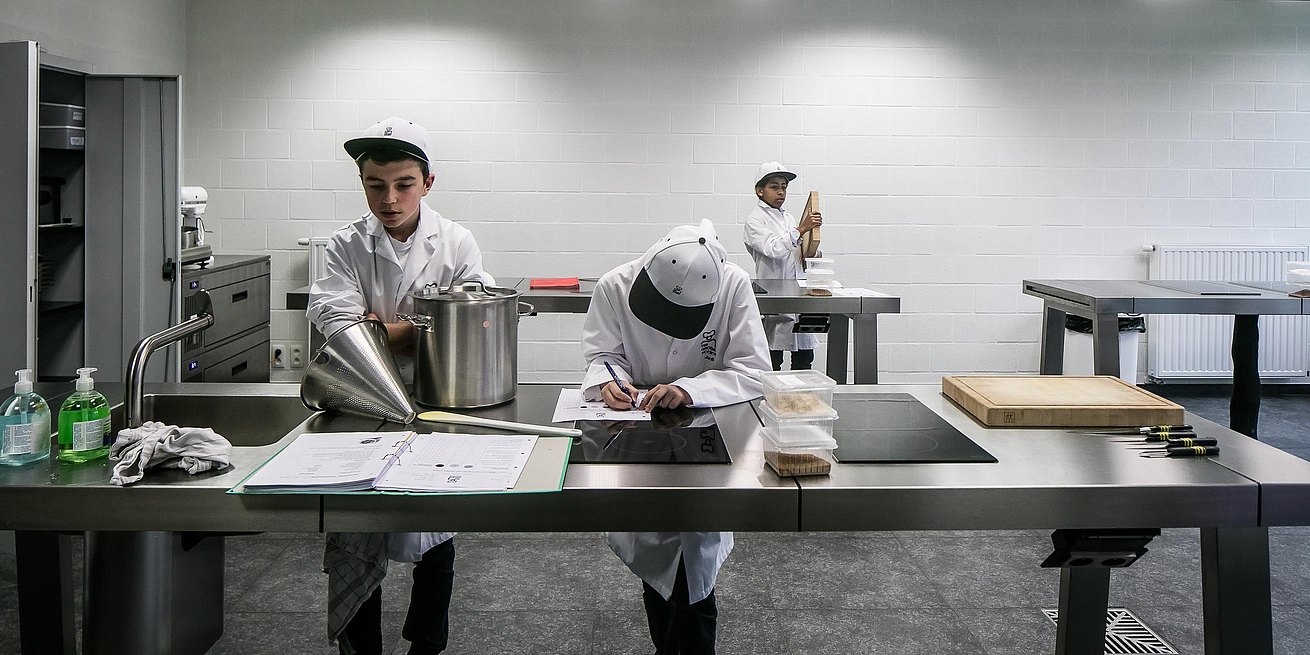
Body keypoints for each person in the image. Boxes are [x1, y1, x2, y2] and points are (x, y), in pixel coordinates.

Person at [307, 116, 492, 655]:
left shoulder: (456, 241)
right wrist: (420, 328)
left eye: (403, 184)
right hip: (362, 401)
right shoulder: (346, 245)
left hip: (437, 396)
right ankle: (360, 647)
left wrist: (380, 329)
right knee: (355, 524)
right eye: (375, 185)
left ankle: (426, 644)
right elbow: (335, 322)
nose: (389, 199)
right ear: (362, 183)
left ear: (427, 183)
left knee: (435, 526)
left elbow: (470, 318)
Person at [580, 219, 771, 654]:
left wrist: (690, 389)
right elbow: (602, 355)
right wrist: (608, 381)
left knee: (692, 565)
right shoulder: (615, 284)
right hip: (634, 431)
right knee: (657, 561)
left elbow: (754, 371)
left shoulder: (733, 286)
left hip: (707, 434)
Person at [742, 161, 823, 371]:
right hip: (775, 299)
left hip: (799, 296)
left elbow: (796, 253)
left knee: (804, 360)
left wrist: (812, 250)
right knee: (772, 362)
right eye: (774, 187)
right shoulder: (755, 220)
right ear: (760, 191)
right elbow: (774, 250)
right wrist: (802, 229)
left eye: (784, 187)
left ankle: (803, 403)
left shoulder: (788, 218)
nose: (781, 192)